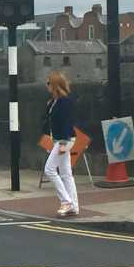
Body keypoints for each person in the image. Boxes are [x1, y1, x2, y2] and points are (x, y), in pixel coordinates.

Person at [43, 71, 79, 216]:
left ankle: (66, 202)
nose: (46, 86)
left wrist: (63, 143)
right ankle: (74, 206)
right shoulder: (55, 101)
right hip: (61, 139)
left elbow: (66, 122)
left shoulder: (64, 101)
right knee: (66, 174)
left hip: (65, 139)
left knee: (50, 169)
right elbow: (49, 121)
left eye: (48, 83)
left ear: (54, 85)